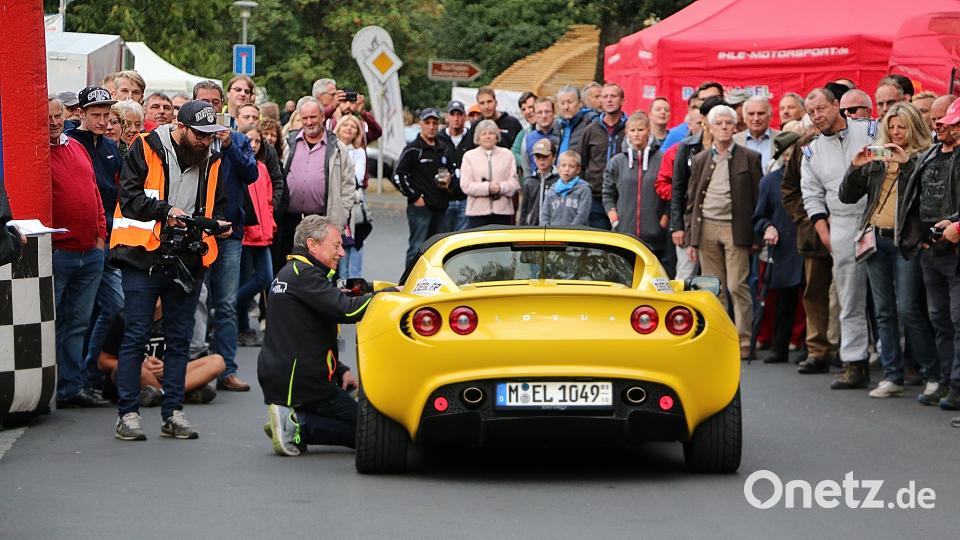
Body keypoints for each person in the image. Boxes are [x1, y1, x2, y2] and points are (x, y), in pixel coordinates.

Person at [109, 100, 232, 441]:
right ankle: (128, 414)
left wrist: (218, 224)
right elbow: (129, 196)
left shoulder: (215, 158)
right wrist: (165, 211)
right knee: (136, 335)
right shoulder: (146, 147)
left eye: (210, 136)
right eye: (199, 135)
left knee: (180, 339)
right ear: (181, 127)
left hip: (188, 256)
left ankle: (173, 412)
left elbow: (220, 204)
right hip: (142, 255)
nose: (205, 142)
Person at [258, 216, 388, 456]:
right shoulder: (304, 275)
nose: (341, 253)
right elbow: (348, 309)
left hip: (293, 375)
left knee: (364, 427)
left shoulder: (295, 272)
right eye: (336, 245)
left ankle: (295, 420)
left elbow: (305, 334)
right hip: (302, 382)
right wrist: (388, 296)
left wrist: (340, 370)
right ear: (312, 245)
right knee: (375, 432)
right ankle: (299, 424)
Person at [839, 102, 938, 398]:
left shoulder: (922, 157)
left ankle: (932, 374)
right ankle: (892, 375)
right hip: (874, 238)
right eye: (891, 127)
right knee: (883, 311)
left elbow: (926, 200)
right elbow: (847, 196)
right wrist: (856, 167)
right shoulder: (877, 156)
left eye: (902, 127)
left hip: (905, 242)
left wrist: (906, 164)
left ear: (913, 128)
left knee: (908, 309)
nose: (896, 133)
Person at [801, 87, 877, 389]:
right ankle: (854, 362)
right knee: (849, 297)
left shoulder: (871, 129)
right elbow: (811, 195)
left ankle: (902, 361)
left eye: (821, 109)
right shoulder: (811, 150)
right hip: (842, 224)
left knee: (892, 297)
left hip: (878, 216)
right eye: (811, 113)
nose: (817, 116)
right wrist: (825, 234)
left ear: (836, 105)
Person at [191, 81, 260, 393]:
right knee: (197, 299)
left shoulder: (237, 138)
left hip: (230, 231)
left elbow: (251, 174)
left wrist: (230, 144)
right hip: (197, 229)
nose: (209, 106)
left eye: (214, 102)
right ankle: (197, 366)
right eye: (203, 101)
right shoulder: (187, 137)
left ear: (221, 105)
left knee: (227, 303)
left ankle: (227, 369)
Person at [686, 104, 762, 359]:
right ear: (709, 126)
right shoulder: (700, 159)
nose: (724, 128)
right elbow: (692, 198)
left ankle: (743, 339)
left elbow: (757, 198)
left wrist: (755, 236)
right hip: (706, 225)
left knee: (737, 284)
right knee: (712, 287)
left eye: (728, 123)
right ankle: (718, 337)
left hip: (735, 227)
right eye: (718, 123)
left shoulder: (750, 158)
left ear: (735, 126)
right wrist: (691, 237)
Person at [49, 96, 110, 408]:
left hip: (89, 251)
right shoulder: (38, 154)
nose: (54, 121)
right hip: (60, 252)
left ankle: (71, 387)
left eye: (58, 115)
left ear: (66, 115)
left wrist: (100, 235)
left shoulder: (76, 147)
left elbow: (94, 193)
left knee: (77, 324)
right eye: (47, 116)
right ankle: (53, 388)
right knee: (56, 323)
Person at [900, 96, 960, 410]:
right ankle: (947, 381)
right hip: (930, 250)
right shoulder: (929, 155)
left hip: (955, 249)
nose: (937, 125)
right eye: (936, 119)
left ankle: (956, 386)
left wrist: (956, 226)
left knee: (957, 318)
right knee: (939, 319)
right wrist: (917, 237)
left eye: (945, 121)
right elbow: (915, 198)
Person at [66, 87, 124, 397]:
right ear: (81, 114)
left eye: (107, 115)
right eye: (96, 115)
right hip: (80, 240)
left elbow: (115, 194)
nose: (103, 121)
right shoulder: (72, 143)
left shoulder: (110, 148)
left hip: (106, 238)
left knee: (112, 305)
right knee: (76, 315)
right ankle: (75, 380)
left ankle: (86, 373)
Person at [274, 97, 356, 275]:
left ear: (322, 117)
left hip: (322, 221)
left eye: (313, 117)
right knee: (284, 270)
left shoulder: (337, 148)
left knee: (319, 273)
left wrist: (340, 219)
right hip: (289, 220)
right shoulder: (290, 143)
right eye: (305, 118)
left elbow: (348, 187)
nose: (309, 122)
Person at [782, 115, 838, 373]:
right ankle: (817, 349)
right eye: (813, 124)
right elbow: (789, 187)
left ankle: (844, 348)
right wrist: (803, 217)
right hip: (812, 233)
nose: (818, 127)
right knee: (814, 292)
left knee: (845, 294)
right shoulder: (804, 146)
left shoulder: (845, 140)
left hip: (845, 227)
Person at [97, 301, 225, 406]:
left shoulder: (176, 318)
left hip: (166, 376)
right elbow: (103, 362)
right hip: (139, 376)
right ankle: (183, 393)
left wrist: (166, 367)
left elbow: (181, 356)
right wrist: (141, 364)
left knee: (217, 361)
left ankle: (162, 394)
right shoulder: (124, 318)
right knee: (124, 368)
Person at [752, 125, 805, 364]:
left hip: (809, 243)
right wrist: (767, 227)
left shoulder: (812, 176)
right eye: (788, 151)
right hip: (783, 247)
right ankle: (779, 346)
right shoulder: (770, 181)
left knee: (812, 300)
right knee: (784, 301)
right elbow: (759, 217)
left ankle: (811, 347)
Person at [603, 112, 669, 264]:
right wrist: (615, 219)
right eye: (632, 130)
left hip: (655, 238)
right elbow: (608, 193)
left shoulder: (661, 159)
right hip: (624, 235)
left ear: (649, 130)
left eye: (641, 130)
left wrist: (663, 222)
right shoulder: (617, 162)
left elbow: (670, 194)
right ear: (627, 133)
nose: (637, 134)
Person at [393, 108, 453, 267]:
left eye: (435, 123)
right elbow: (398, 175)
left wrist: (449, 181)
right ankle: (407, 284)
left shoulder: (443, 149)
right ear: (420, 124)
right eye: (427, 122)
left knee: (438, 249)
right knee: (417, 248)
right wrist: (415, 197)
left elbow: (451, 172)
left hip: (441, 207)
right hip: (421, 208)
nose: (431, 126)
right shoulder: (413, 149)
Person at [236, 124, 276, 347]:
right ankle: (242, 327)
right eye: (249, 140)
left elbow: (268, 201)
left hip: (263, 234)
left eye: (257, 141)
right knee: (245, 280)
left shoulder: (262, 167)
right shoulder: (239, 166)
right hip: (246, 234)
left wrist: (270, 224)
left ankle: (229, 305)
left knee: (265, 278)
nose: (253, 145)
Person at [579, 83, 628, 230]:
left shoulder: (630, 129)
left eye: (613, 96)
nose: (609, 100)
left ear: (622, 100)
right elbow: (581, 162)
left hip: (622, 198)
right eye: (605, 96)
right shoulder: (590, 130)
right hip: (595, 198)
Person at [460, 119, 521, 228]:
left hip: (502, 213)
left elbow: (514, 183)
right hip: (477, 214)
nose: (488, 136)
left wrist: (500, 188)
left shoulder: (507, 155)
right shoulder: (469, 156)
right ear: (478, 137)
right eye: (484, 134)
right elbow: (466, 185)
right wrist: (488, 188)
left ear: (497, 136)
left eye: (491, 133)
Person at [333, 114, 371, 278]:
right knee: (340, 247)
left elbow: (357, 176)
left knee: (355, 243)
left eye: (353, 126)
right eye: (345, 125)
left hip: (355, 203)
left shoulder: (359, 152)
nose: (349, 128)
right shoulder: (332, 149)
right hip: (336, 202)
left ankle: (355, 289)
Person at [437, 100, 470, 232]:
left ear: (465, 117)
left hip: (466, 198)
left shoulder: (472, 137)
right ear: (447, 117)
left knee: (463, 241)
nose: (456, 118)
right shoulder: (439, 138)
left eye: (459, 114)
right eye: (452, 114)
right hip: (444, 198)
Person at [662, 81, 723, 151]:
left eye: (714, 98)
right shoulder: (685, 145)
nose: (709, 103)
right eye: (703, 100)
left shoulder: (733, 133)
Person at [540, 150, 591, 227]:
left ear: (578, 169)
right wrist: (547, 231)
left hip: (575, 235)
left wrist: (569, 232)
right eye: (563, 165)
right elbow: (544, 214)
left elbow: (582, 215)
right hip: (553, 235)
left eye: (571, 166)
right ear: (558, 168)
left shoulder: (584, 189)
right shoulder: (552, 189)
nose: (567, 169)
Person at [463, 87, 523, 151]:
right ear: (478, 106)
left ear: (496, 102)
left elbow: (522, 149)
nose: (486, 106)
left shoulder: (512, 123)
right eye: (482, 103)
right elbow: (470, 151)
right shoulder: (475, 126)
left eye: (489, 102)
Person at [513, 96, 559, 179]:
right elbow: (526, 169)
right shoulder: (527, 138)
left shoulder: (563, 134)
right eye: (540, 112)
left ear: (553, 113)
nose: (544, 116)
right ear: (534, 114)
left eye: (547, 111)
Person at [733, 96, 780, 174]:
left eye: (761, 113)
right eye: (751, 114)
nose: (756, 118)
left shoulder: (783, 138)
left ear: (770, 116)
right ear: (744, 118)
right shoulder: (734, 141)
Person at [519, 138, 559, 226]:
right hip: (533, 229)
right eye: (538, 156)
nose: (541, 160)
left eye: (545, 156)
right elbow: (524, 211)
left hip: (554, 229)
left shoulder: (559, 181)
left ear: (553, 157)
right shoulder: (529, 182)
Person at [555, 85, 596, 154]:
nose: (566, 107)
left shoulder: (591, 121)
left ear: (580, 103)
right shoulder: (557, 125)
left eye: (570, 102)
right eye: (562, 103)